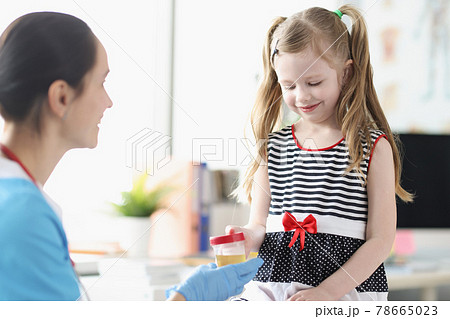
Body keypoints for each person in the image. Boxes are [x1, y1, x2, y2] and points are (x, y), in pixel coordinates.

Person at [0, 12, 263, 301]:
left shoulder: (17, 197)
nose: (108, 101)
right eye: (101, 82)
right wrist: (186, 300)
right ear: (62, 97)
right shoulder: (23, 217)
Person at [226, 5, 413, 301]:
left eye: (313, 83)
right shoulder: (272, 148)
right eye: (289, 86)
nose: (301, 96)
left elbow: (380, 240)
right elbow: (260, 224)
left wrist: (327, 291)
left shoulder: (372, 146)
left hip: (343, 291)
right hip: (273, 286)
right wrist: (246, 237)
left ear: (346, 73)